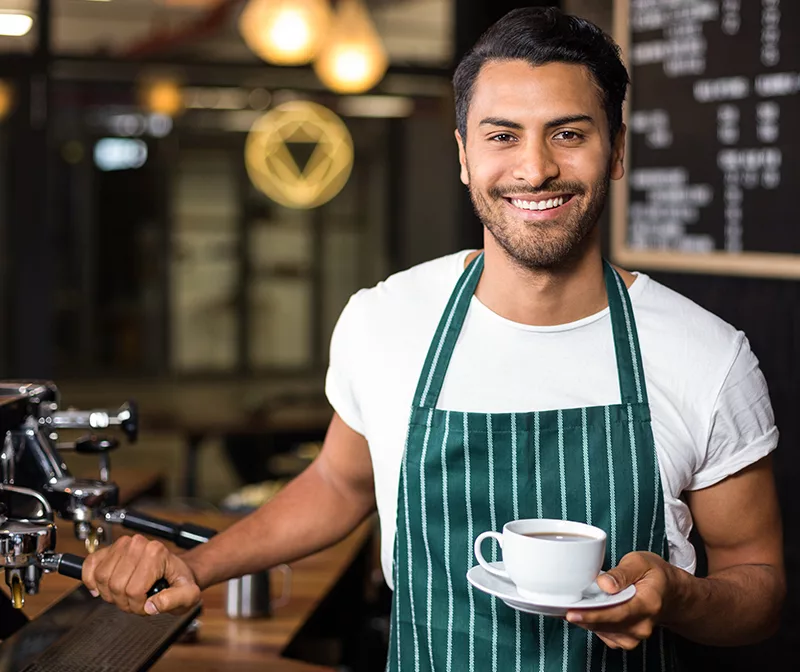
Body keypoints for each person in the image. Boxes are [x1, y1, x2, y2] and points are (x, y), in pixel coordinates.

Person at [83, 7, 785, 670]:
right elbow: (337, 482)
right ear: (462, 154)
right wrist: (199, 566)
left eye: (568, 134)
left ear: (617, 150)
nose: (534, 168)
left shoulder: (706, 356)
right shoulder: (386, 322)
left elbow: (760, 589)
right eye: (502, 135)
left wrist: (681, 595)